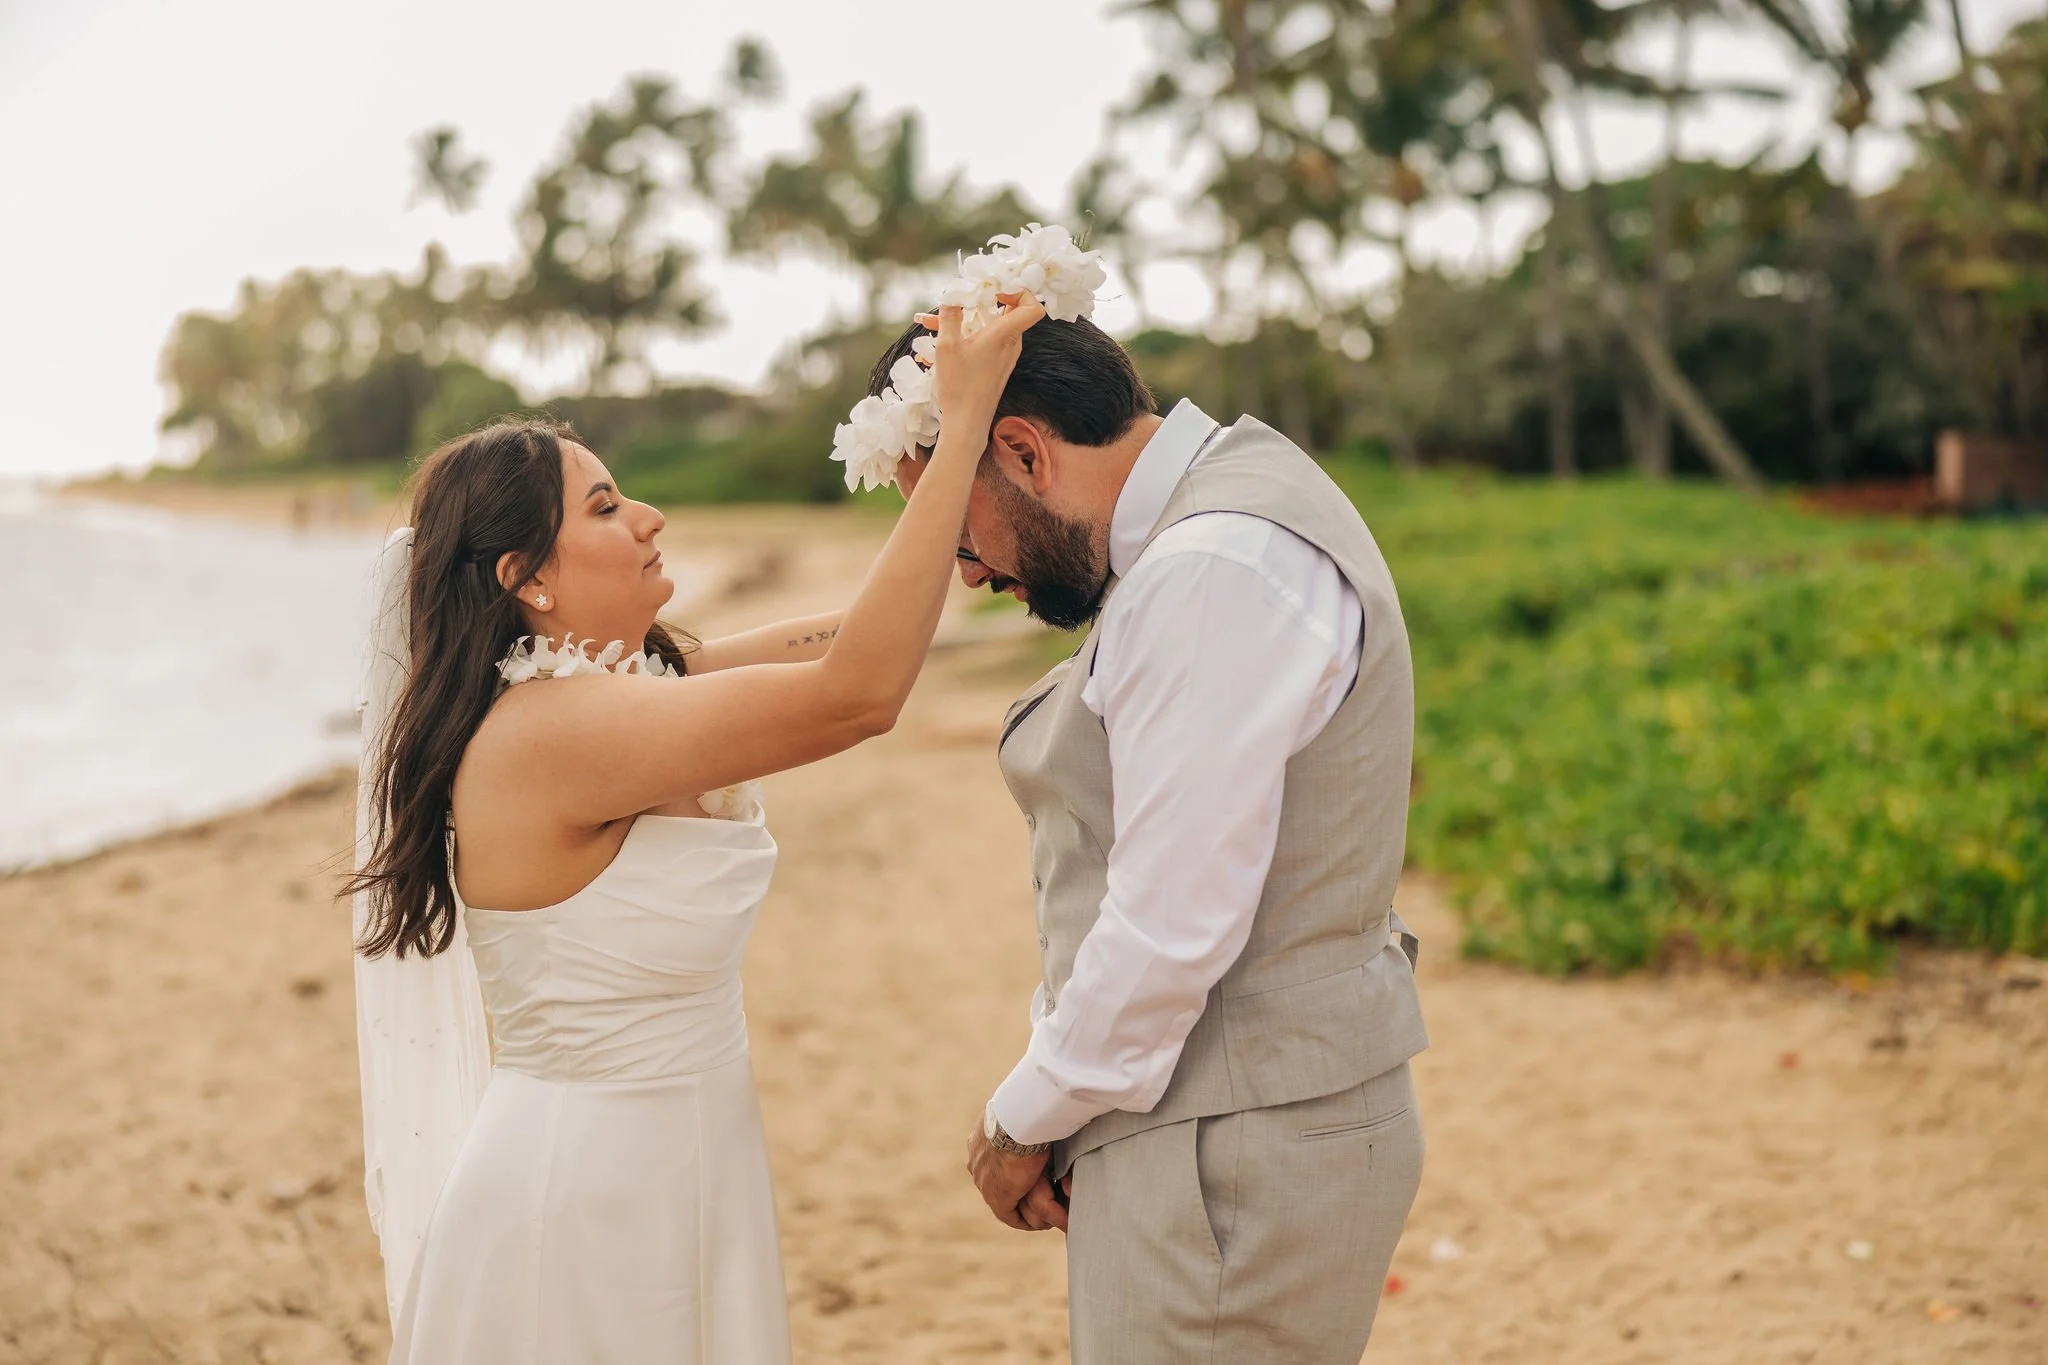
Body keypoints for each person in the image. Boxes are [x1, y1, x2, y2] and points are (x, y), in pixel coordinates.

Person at [348, 293, 1046, 1364]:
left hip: (688, 1153)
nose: (649, 519)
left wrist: (963, 528)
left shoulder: (638, 683)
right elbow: (855, 695)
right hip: (583, 1191)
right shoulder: (552, 731)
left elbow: (851, 640)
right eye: (604, 507)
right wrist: (962, 425)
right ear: (523, 578)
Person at [886, 314, 1431, 1364]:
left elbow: (1169, 926)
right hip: (1243, 1126)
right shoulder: (1236, 504)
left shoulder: (1205, 570)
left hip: (1232, 1148)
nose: (964, 576)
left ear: (1021, 451)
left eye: (955, 533)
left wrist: (1020, 1121)